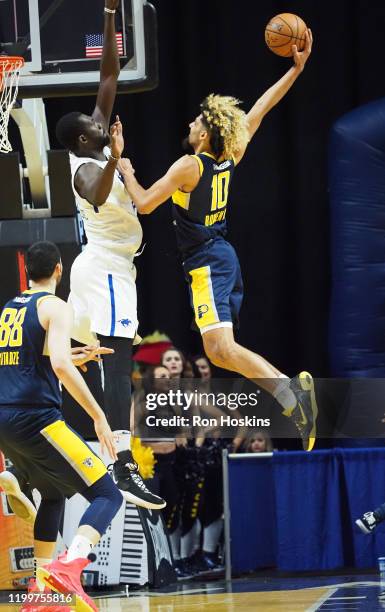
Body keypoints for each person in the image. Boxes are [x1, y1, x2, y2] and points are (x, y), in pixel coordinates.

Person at [114, 30, 317, 452]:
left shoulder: (191, 164)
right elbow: (261, 108)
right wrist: (294, 70)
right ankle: (288, 394)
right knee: (221, 352)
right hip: (220, 256)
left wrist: (124, 165)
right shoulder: (231, 153)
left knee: (220, 348)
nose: (190, 124)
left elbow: (147, 204)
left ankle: (289, 393)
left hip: (207, 260)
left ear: (205, 135)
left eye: (196, 121)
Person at [54, 0, 164, 509]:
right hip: (105, 270)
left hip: (110, 271)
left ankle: (99, 455)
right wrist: (116, 158)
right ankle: (120, 463)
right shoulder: (83, 167)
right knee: (117, 364)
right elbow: (98, 192)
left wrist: (108, 15)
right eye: (96, 126)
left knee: (90, 358)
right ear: (84, 138)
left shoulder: (96, 142)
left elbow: (108, 74)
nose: (105, 121)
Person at [0, 241, 123, 612]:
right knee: (108, 494)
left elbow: (27, 360)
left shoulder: (9, 309)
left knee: (53, 495)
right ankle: (70, 567)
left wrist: (74, 352)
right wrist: (99, 416)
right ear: (59, 269)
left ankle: (40, 591)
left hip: (6, 421)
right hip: (36, 418)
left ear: (27, 271)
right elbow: (59, 368)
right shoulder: (55, 305)